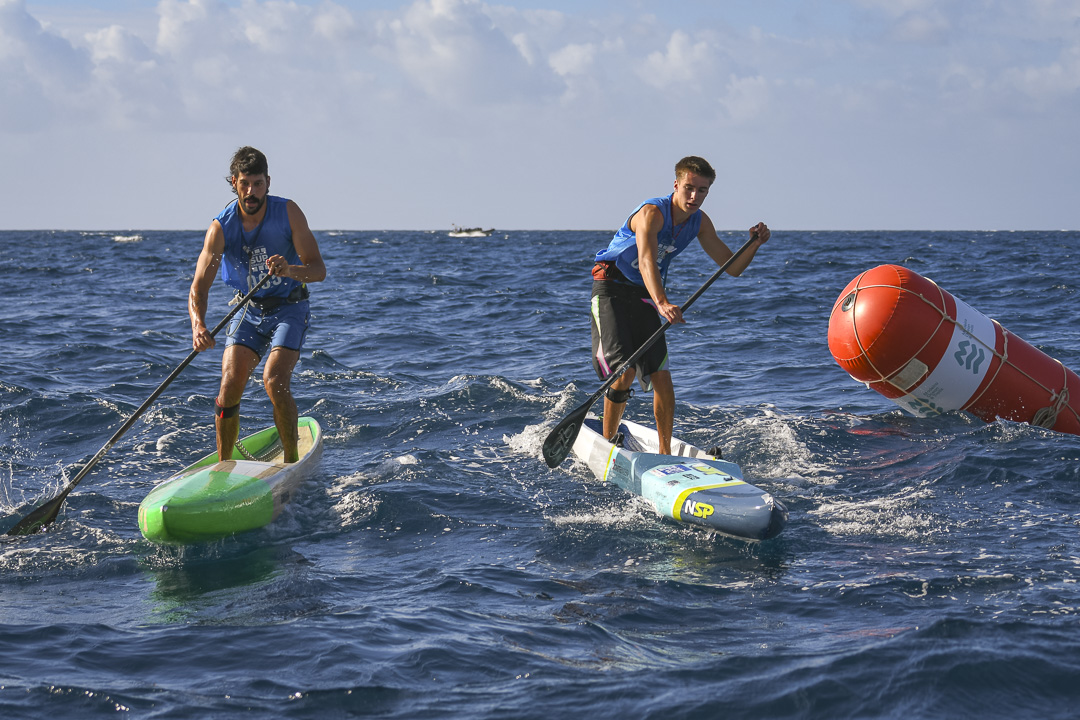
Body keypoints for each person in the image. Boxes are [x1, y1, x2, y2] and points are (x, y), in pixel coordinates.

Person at [590, 155, 769, 454]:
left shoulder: (700, 222)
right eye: (689, 188)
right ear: (676, 185)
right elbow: (646, 260)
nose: (694, 196)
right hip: (612, 289)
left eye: (702, 190)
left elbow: (733, 267)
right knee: (625, 373)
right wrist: (662, 302)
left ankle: (665, 453)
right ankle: (608, 443)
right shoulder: (652, 213)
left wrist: (754, 245)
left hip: (644, 295)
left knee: (662, 378)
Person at [189, 146, 327, 463]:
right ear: (234, 183)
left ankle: (291, 462)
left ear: (268, 182)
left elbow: (318, 270)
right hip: (248, 310)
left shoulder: (289, 212)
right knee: (228, 387)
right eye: (245, 184)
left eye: (258, 184)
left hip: (289, 309)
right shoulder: (221, 228)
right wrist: (198, 326)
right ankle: (224, 466)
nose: (251, 192)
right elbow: (199, 287)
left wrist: (290, 270)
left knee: (274, 380)